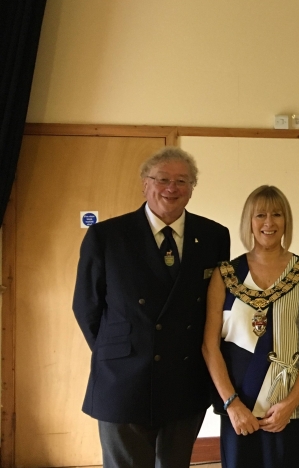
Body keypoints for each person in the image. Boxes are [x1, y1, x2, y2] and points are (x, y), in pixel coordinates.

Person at [73, 146, 231, 468]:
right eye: (162, 179)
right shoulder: (107, 235)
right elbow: (86, 305)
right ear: (145, 184)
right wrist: (118, 349)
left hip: (185, 377)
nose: (172, 188)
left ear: (192, 188)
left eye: (182, 181)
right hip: (123, 377)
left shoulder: (214, 235)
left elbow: (219, 305)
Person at [202, 185, 299, 468]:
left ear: (286, 221)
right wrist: (232, 404)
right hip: (239, 406)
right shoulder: (226, 274)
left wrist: (292, 402)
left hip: (289, 408)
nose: (269, 223)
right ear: (249, 221)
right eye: (260, 215)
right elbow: (210, 346)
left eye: (277, 215)